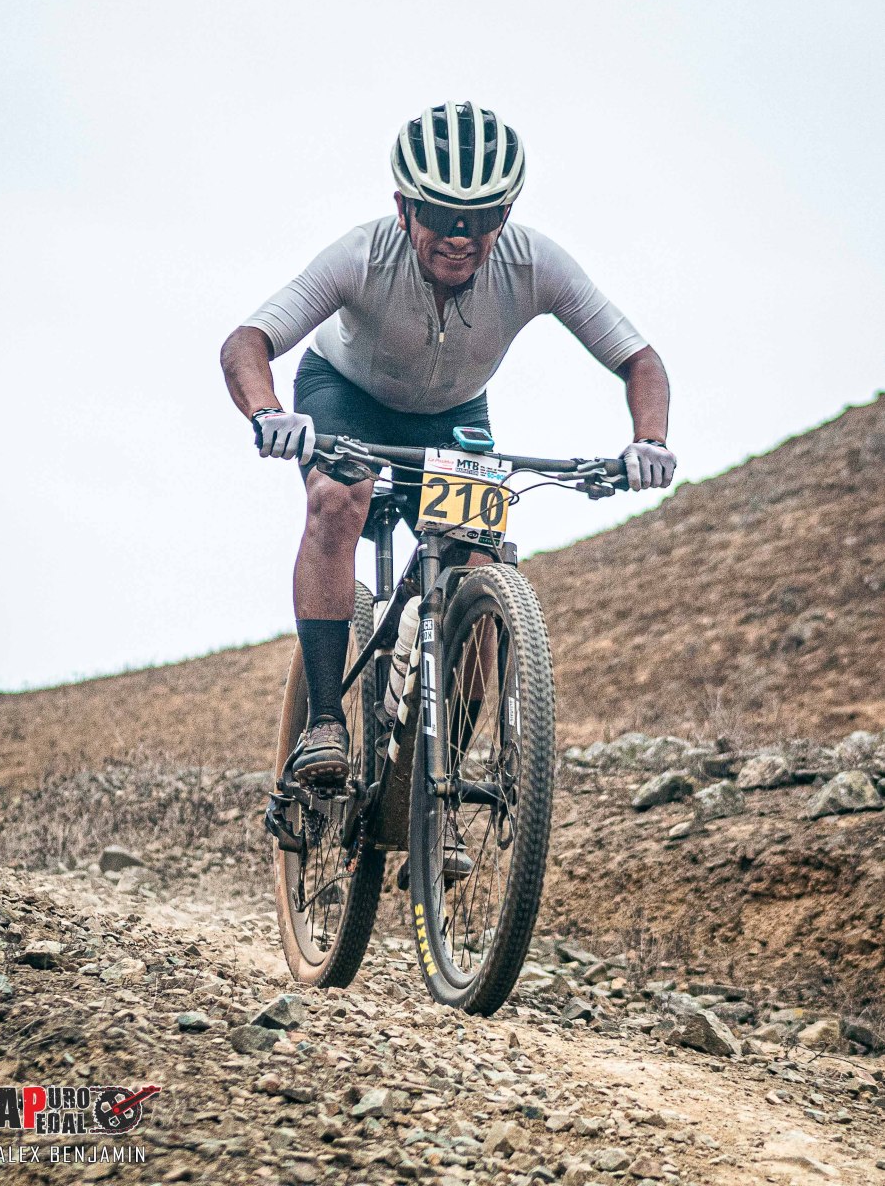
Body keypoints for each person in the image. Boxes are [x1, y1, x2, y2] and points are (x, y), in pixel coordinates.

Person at [221, 100, 676, 789]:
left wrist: (649, 440)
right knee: (338, 498)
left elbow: (639, 360)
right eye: (439, 214)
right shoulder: (361, 254)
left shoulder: (535, 264)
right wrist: (268, 412)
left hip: (451, 414)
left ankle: (433, 785)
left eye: (483, 217)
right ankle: (324, 723)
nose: (460, 236)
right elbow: (247, 341)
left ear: (506, 214)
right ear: (404, 208)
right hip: (344, 394)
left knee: (477, 559)